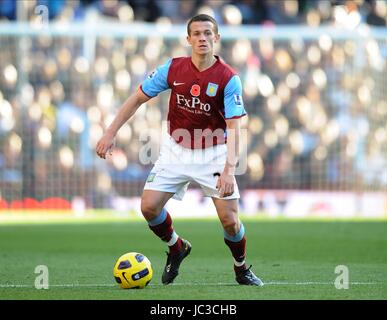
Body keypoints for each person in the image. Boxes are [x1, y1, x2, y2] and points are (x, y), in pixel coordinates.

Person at [96, 14, 263, 286]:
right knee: (149, 208)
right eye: (196, 34)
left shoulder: (228, 78)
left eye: (208, 33)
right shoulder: (173, 69)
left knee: (230, 222)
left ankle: (241, 269)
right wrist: (110, 131)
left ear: (216, 38)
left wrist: (228, 170)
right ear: (188, 40)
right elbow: (137, 98)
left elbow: (234, 127)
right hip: (176, 149)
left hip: (215, 152)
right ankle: (176, 247)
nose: (202, 38)